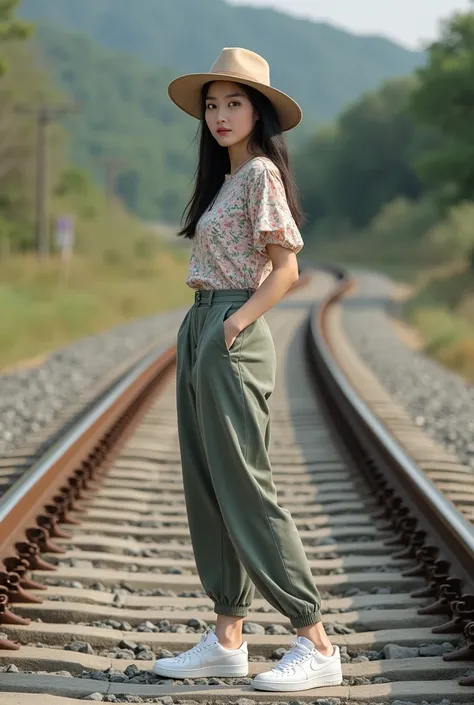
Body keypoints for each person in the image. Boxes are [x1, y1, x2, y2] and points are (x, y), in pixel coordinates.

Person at [151, 47, 342, 692]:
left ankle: (314, 640)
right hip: (201, 320)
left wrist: (235, 323)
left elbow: (287, 269)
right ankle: (227, 638)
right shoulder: (226, 181)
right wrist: (209, 325)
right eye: (212, 105)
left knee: (247, 487)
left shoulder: (259, 175)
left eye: (235, 103)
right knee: (207, 482)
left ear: (259, 113)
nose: (221, 115)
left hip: (231, 326)